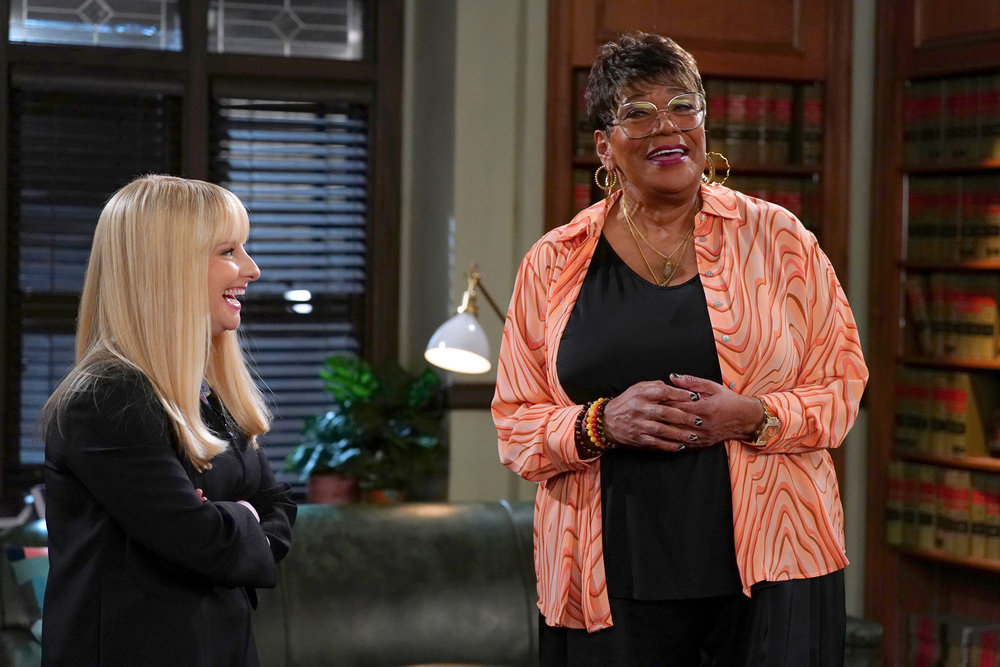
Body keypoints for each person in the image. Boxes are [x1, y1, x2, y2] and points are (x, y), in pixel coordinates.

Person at [493, 32, 867, 666]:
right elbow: (515, 424)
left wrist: (754, 416)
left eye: (682, 105)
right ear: (604, 146)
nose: (666, 126)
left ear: (703, 123)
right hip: (608, 576)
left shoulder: (779, 240)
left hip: (777, 564)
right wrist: (600, 422)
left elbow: (841, 386)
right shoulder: (553, 262)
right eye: (638, 112)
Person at [41, 175, 296, 666]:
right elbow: (200, 541)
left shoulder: (209, 394)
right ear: (169, 269)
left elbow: (278, 504)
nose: (252, 269)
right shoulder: (105, 398)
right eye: (228, 251)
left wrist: (230, 517)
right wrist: (243, 518)